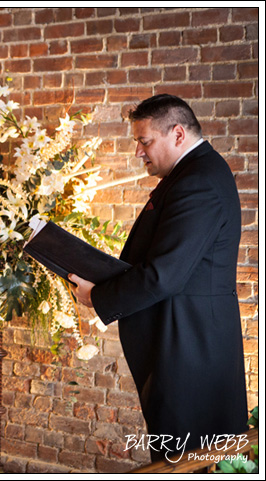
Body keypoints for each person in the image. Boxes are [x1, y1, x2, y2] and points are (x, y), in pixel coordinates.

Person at [69, 94, 248, 461]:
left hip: (191, 349)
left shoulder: (199, 181)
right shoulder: (193, 174)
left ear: (178, 134)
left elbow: (164, 275)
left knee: (185, 459)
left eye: (145, 140)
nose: (138, 152)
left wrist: (98, 296)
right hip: (185, 340)